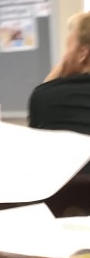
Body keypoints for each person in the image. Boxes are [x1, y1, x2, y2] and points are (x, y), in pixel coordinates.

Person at [28, 12, 90, 172]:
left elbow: (43, 91)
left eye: (68, 49)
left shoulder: (46, 98)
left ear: (83, 54)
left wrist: (66, 63)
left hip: (67, 188)